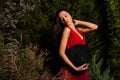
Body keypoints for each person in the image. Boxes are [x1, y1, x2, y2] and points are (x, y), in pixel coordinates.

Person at [53, 9, 98, 80]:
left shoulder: (79, 30)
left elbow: (95, 27)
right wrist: (75, 68)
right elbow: (61, 53)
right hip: (72, 70)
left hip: (82, 69)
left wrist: (79, 22)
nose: (65, 19)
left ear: (71, 16)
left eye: (66, 16)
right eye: (62, 19)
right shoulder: (67, 30)